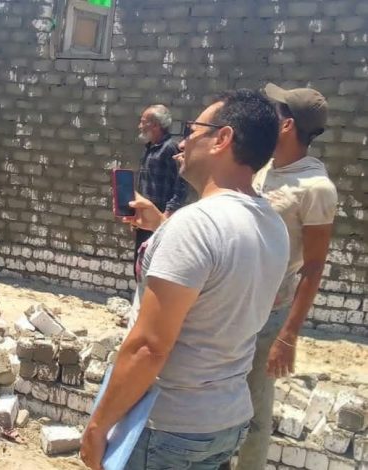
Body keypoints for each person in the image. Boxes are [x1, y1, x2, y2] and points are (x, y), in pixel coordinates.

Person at [80, 90, 290, 470]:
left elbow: (149, 348)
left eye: (192, 130)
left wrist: (97, 427)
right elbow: (221, 283)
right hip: (225, 420)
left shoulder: (196, 225)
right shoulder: (271, 223)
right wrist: (162, 226)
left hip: (168, 427)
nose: (183, 142)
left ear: (222, 138)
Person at [229, 84, 337, 470]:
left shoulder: (315, 188)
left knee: (255, 414)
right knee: (219, 399)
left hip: (268, 316)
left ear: (287, 125)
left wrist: (287, 336)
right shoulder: (264, 167)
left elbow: (313, 266)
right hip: (233, 306)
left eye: (275, 113)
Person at [134, 105, 189, 272]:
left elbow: (181, 184)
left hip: (160, 220)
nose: (140, 126)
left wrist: (167, 214)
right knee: (140, 266)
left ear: (156, 125)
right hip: (145, 220)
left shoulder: (170, 148)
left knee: (154, 268)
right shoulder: (149, 148)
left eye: (143, 122)